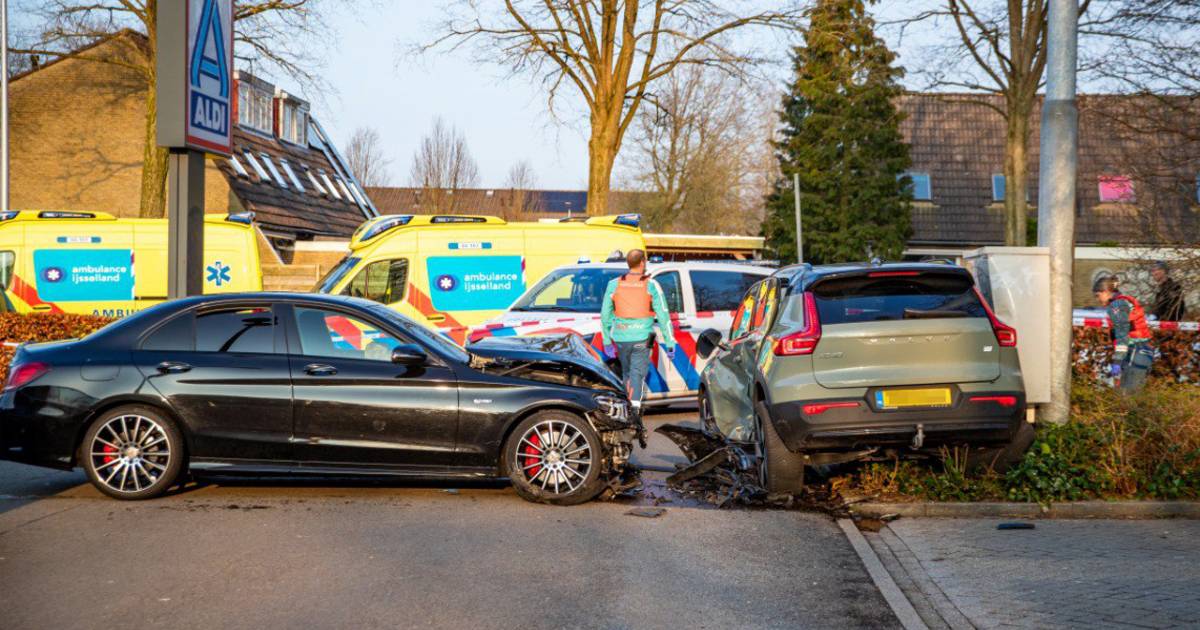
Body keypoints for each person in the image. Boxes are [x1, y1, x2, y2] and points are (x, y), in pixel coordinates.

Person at [601, 249, 677, 442]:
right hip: (642, 337)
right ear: (642, 262)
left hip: (621, 337)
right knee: (637, 374)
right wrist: (670, 342)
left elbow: (605, 316)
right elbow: (663, 314)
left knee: (627, 373)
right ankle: (634, 413)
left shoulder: (614, 284)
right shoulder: (651, 284)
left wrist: (607, 341)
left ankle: (626, 410)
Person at [1093, 275, 1155, 392]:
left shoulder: (1116, 306)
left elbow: (1122, 336)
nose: (1097, 299)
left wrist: (1117, 360)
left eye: (1098, 295)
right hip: (1142, 351)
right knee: (1132, 396)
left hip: (1135, 352)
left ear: (1106, 292)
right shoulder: (1124, 301)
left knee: (1126, 396)